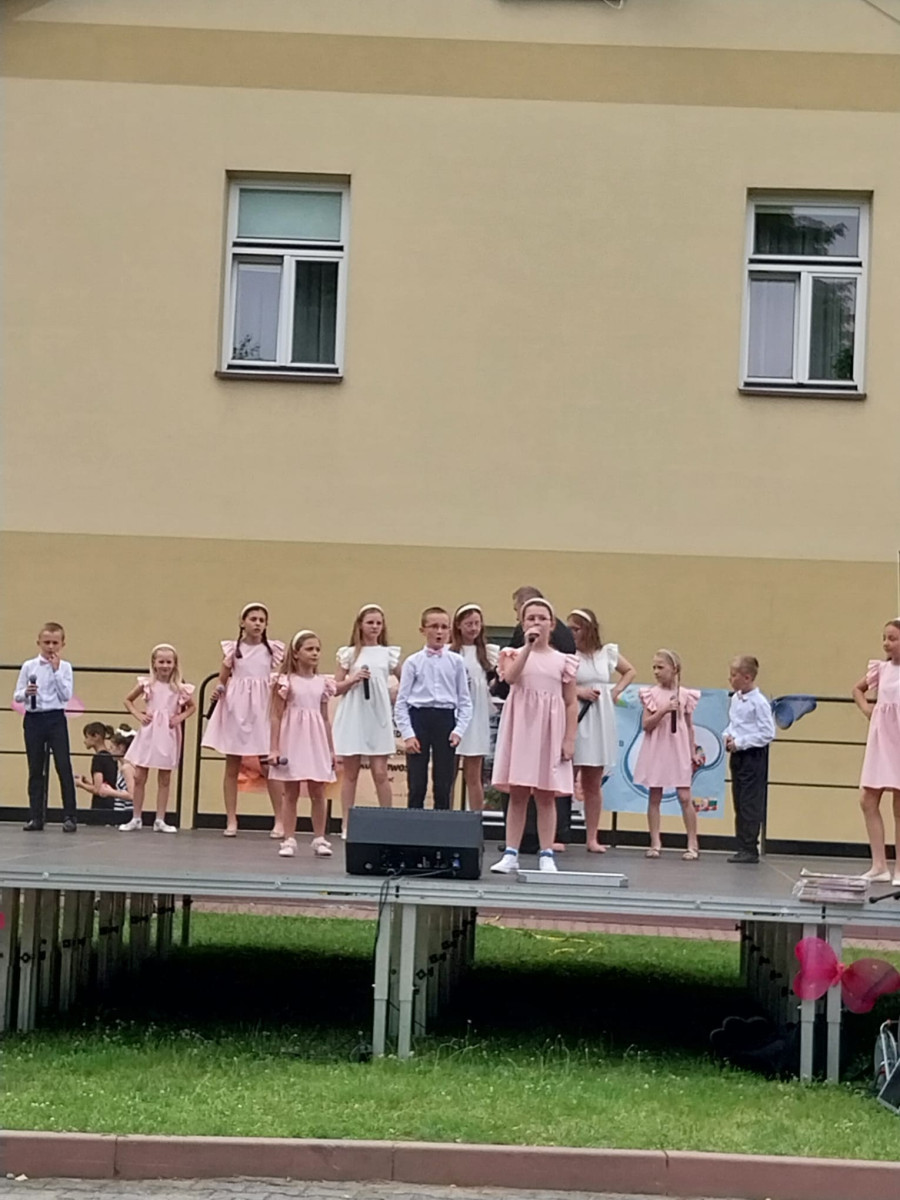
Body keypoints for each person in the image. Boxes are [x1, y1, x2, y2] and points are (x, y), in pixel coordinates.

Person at [490, 598, 578, 874]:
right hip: (521, 729)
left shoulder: (563, 661)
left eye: (542, 618)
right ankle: (511, 853)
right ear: (522, 623)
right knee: (518, 793)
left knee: (545, 795)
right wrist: (527, 647)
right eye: (531, 618)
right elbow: (510, 679)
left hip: (549, 730)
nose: (537, 623)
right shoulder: (512, 655)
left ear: (552, 624)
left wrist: (569, 738)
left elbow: (570, 702)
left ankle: (546, 853)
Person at [202, 602, 285, 838]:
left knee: (268, 764)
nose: (257, 623)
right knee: (233, 764)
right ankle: (231, 819)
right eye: (253, 619)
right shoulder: (233, 650)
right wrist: (219, 689)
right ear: (242, 622)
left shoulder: (272, 650)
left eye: (261, 620)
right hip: (237, 707)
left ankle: (280, 820)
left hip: (262, 707)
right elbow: (223, 677)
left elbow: (281, 674)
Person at [567, 608, 636, 852]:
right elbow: (559, 683)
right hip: (576, 715)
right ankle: (558, 833)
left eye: (576, 629)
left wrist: (615, 691)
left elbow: (629, 671)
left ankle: (592, 837)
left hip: (598, 717)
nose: (572, 633)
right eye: (569, 629)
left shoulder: (606, 653)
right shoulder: (568, 655)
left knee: (593, 781)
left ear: (588, 629)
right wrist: (579, 691)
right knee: (566, 776)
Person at [395, 607, 472, 810]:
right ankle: (414, 825)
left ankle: (442, 825)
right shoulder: (413, 662)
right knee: (417, 782)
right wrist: (408, 734)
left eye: (444, 627)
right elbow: (402, 702)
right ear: (423, 630)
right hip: (419, 718)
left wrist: (459, 730)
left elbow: (465, 701)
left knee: (444, 782)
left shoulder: (456, 662)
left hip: (445, 719)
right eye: (434, 627)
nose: (439, 632)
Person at [268, 630, 336, 859]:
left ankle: (319, 838)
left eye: (317, 649)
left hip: (315, 739)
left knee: (318, 790)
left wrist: (330, 749)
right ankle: (289, 838)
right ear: (296, 653)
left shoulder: (322, 683)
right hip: (292, 738)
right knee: (291, 791)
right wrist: (274, 747)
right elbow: (276, 716)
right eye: (309, 649)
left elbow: (324, 718)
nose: (315, 653)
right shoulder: (286, 682)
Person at [332, 604, 402, 820]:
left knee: (380, 772)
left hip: (378, 716)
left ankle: (386, 820)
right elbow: (335, 688)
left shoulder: (388, 654)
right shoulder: (349, 654)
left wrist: (394, 693)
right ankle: (347, 823)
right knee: (350, 774)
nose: (374, 627)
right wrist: (352, 680)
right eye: (370, 622)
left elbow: (407, 682)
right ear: (360, 625)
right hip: (354, 715)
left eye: (378, 623)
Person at [635, 649, 702, 861]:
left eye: (660, 667)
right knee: (655, 795)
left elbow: (689, 726)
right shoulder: (651, 694)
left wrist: (692, 750)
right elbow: (646, 725)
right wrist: (663, 710)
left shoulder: (685, 695)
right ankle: (655, 842)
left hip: (678, 747)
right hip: (658, 747)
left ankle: (692, 843)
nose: (656, 671)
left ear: (674, 669)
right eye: (654, 667)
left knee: (684, 796)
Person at [121, 644, 196, 833]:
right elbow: (128, 700)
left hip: (168, 734)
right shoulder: (147, 685)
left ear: (175, 664)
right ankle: (136, 817)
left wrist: (179, 718)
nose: (165, 666)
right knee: (140, 775)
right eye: (161, 662)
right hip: (149, 732)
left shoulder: (179, 688)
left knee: (165, 777)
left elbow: (192, 707)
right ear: (154, 663)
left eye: (169, 662)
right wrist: (139, 715)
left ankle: (160, 819)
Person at [13, 621, 78, 832]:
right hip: (34, 719)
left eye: (55, 643)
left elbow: (66, 695)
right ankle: (36, 816)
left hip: (56, 718)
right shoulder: (28, 666)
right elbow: (17, 695)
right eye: (47, 642)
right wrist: (26, 693)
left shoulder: (65, 667)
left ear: (62, 644)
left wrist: (56, 671)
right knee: (35, 768)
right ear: (39, 643)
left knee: (63, 765)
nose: (50, 647)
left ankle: (69, 816)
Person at [852, 619, 900, 883]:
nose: (886, 643)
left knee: (899, 805)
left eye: (892, 638)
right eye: (885, 638)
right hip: (882, 738)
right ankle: (879, 864)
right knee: (867, 799)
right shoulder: (881, 669)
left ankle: (899, 869)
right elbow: (857, 689)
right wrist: (867, 709)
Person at [723, 655, 775, 865]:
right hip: (737, 754)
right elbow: (734, 723)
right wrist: (727, 735)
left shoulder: (759, 702)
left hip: (752, 755)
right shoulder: (736, 699)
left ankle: (750, 847)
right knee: (739, 798)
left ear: (747, 677)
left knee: (750, 801)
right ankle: (741, 844)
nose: (730, 679)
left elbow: (767, 733)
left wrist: (741, 742)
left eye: (734, 675)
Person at [449, 603, 500, 811]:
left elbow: (493, 682)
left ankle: (475, 817)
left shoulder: (487, 653)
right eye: (468, 624)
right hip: (454, 713)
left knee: (474, 773)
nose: (473, 628)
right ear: (458, 626)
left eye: (477, 624)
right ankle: (446, 815)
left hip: (476, 714)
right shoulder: (450, 652)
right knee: (449, 772)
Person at [74, 722, 119, 814]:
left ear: (96, 736)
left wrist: (80, 784)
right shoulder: (111, 757)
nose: (85, 741)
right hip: (111, 804)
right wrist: (87, 782)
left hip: (101, 806)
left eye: (87, 737)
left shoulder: (98, 758)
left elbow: (98, 790)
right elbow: (106, 784)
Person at [97, 725, 136, 819]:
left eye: (112, 747)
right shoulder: (124, 767)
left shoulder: (127, 768)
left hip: (126, 813)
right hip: (122, 813)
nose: (110, 750)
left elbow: (132, 795)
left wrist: (111, 792)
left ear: (121, 747)